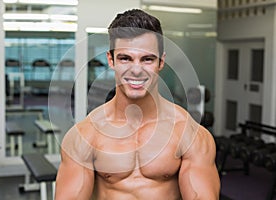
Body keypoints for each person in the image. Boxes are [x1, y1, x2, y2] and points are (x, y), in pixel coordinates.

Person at [55, 9, 220, 199]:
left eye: (147, 59)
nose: (136, 70)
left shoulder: (189, 134)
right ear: (111, 59)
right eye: (125, 58)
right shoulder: (84, 136)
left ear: (161, 61)